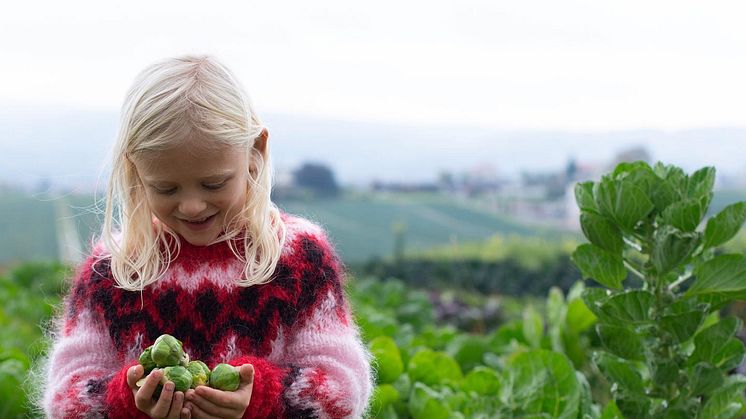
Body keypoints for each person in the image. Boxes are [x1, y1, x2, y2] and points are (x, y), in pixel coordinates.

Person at [40, 55, 374, 418]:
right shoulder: (114, 268)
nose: (192, 206)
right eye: (165, 188)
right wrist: (129, 399)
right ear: (134, 170)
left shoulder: (298, 258)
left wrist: (264, 396)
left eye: (214, 183)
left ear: (255, 152)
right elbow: (65, 399)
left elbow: (343, 390)